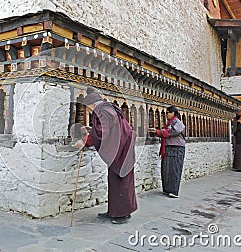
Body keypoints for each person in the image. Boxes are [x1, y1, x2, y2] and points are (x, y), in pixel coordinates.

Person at [74, 87, 137, 224]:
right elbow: (107, 130)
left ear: (92, 105)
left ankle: (121, 215)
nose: (89, 112)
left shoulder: (105, 111)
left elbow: (103, 133)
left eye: (88, 109)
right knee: (116, 181)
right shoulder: (107, 109)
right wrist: (91, 131)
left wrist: (85, 141)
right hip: (122, 150)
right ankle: (114, 211)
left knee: (121, 182)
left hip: (121, 152)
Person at [149, 106, 185, 198]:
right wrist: (157, 132)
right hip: (168, 148)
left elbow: (174, 131)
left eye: (168, 112)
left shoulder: (177, 121)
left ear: (173, 113)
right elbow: (166, 133)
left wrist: (159, 131)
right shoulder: (169, 123)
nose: (166, 115)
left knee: (175, 169)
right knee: (166, 169)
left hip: (176, 148)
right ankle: (167, 189)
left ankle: (174, 191)